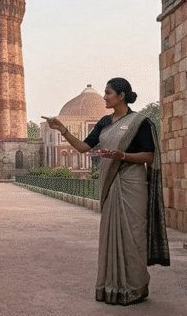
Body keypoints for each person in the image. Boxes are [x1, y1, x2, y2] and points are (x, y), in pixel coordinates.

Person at [44, 77, 170, 305]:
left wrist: (123, 156)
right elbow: (84, 147)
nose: (104, 97)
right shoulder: (104, 122)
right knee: (112, 234)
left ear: (121, 95)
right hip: (111, 185)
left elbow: (150, 157)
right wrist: (63, 129)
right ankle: (111, 287)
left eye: (108, 93)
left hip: (133, 184)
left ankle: (135, 287)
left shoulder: (140, 122)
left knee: (133, 235)